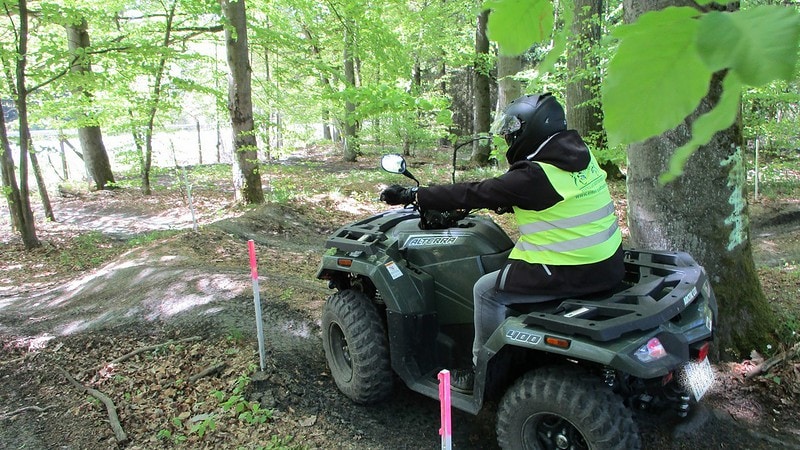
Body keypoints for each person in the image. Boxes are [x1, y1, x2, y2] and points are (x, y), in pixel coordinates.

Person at [380, 93, 624, 393]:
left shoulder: (534, 176)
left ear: (532, 130)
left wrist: (413, 195)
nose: (510, 137)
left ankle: (481, 372)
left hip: (574, 270)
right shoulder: (578, 155)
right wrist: (508, 203)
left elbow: (475, 191)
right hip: (608, 262)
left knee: (486, 291)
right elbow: (556, 200)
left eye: (514, 131)